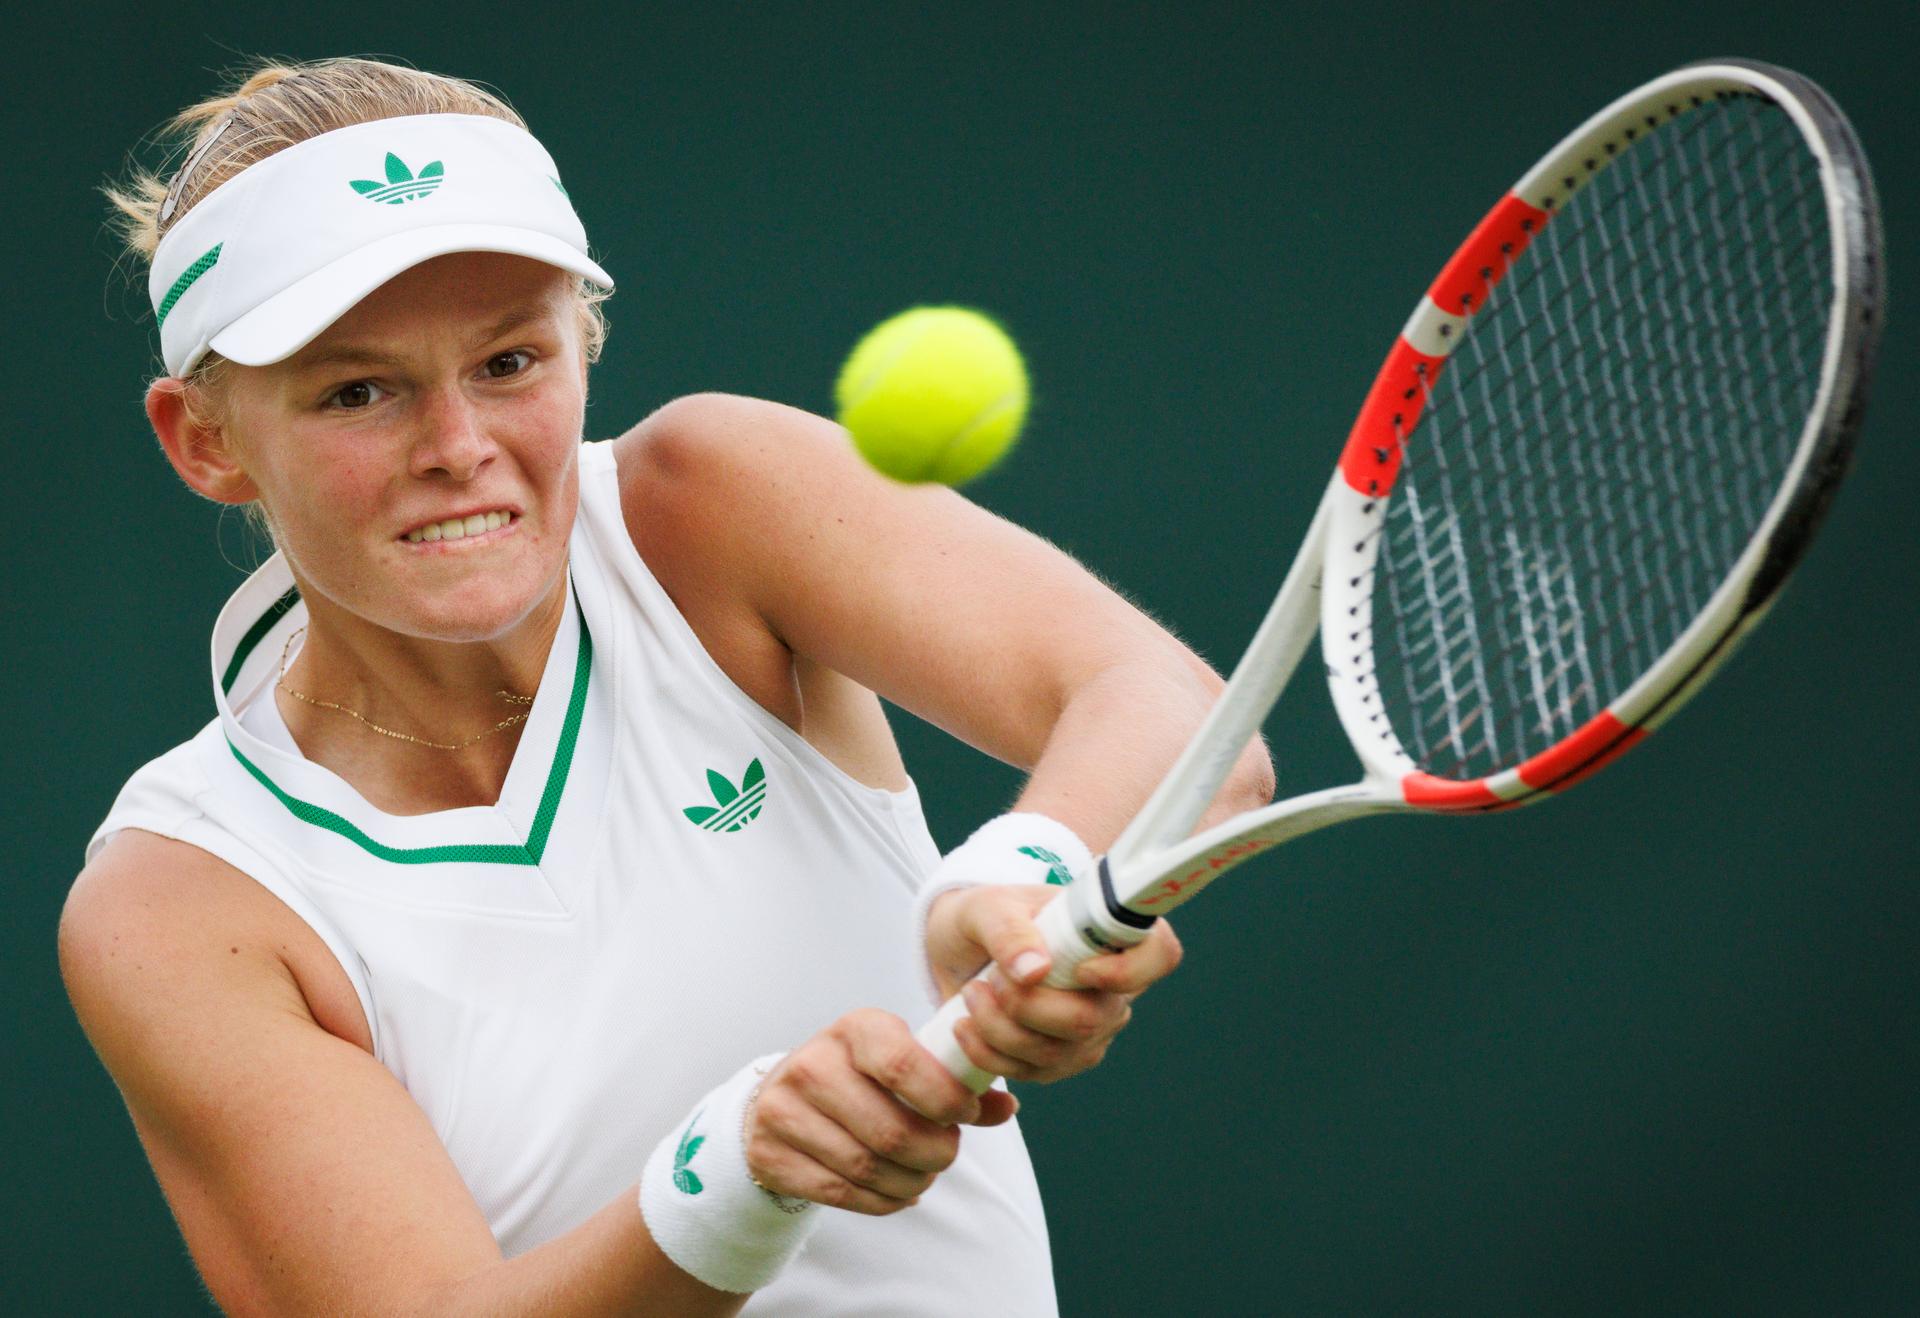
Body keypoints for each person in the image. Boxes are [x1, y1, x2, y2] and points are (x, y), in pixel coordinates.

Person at [59, 58, 1274, 1316]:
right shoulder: (180, 900)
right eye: (359, 391)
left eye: (511, 362)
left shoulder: (708, 504)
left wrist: (1024, 879)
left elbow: (1182, 714)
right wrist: (733, 1175)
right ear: (205, 439)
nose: (459, 448)